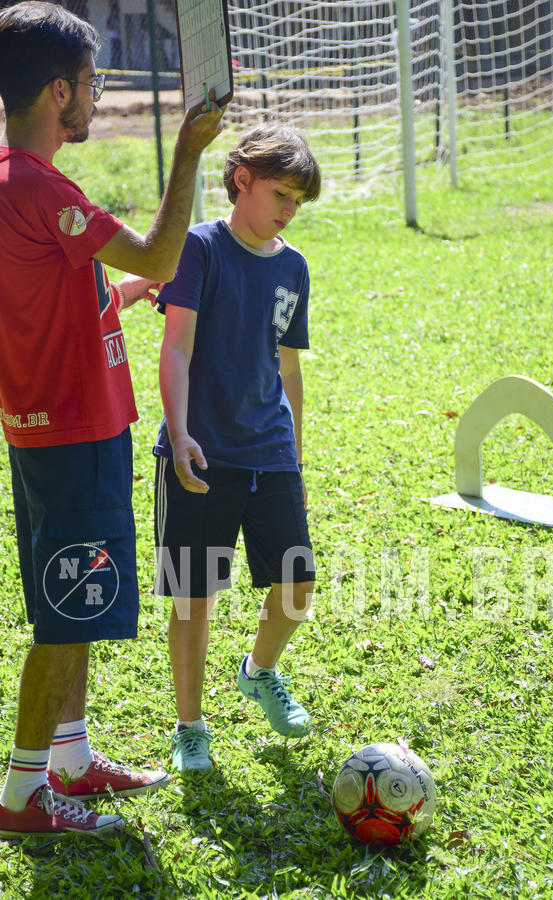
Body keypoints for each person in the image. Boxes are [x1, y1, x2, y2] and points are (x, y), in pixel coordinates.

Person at [0, 1, 223, 837]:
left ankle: (69, 757)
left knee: (77, 597)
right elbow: (164, 252)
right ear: (59, 92)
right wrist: (190, 151)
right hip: (72, 434)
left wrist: (113, 294)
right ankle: (23, 797)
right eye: (91, 84)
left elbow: (51, 288)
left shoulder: (14, 182)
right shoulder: (38, 184)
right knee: (65, 610)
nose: (96, 98)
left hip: (47, 425)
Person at [153, 122, 321, 773]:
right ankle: (190, 726)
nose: (286, 210)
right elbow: (177, 345)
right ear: (241, 179)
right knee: (194, 598)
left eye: (296, 202)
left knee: (297, 584)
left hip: (270, 450)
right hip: (202, 454)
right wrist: (182, 428)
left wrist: (297, 461)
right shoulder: (199, 248)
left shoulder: (293, 266)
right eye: (280, 193)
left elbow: (290, 369)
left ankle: (259, 670)